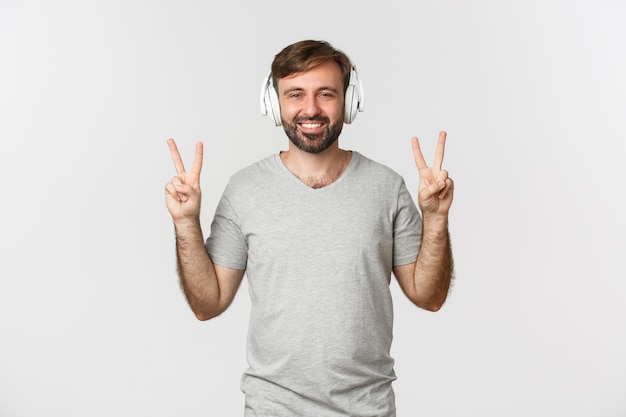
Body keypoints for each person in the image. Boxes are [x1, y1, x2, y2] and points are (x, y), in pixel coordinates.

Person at [164, 39, 454, 417]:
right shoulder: (244, 190)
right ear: (274, 103)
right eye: (296, 94)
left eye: (326, 94)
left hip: (368, 408)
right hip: (272, 408)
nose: (311, 109)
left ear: (349, 102)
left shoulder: (386, 187)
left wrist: (436, 218)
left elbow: (428, 296)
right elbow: (208, 304)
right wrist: (186, 224)